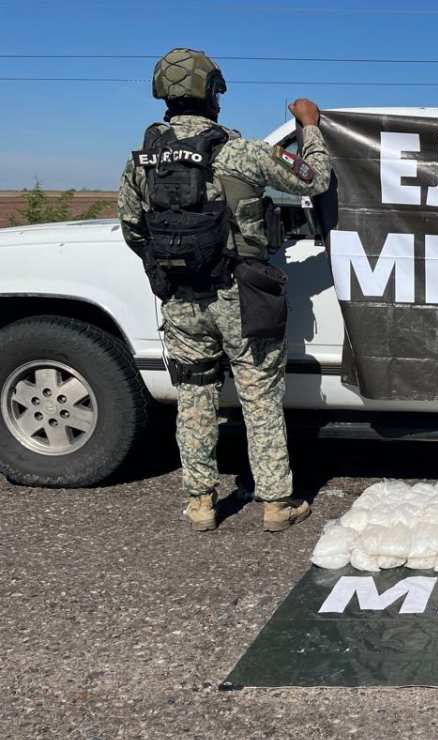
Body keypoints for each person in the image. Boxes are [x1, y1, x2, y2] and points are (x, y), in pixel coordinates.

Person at [117, 48, 330, 532]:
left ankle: (200, 504)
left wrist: (175, 266)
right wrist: (309, 126)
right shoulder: (240, 151)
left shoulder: (142, 159)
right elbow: (315, 178)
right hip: (243, 294)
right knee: (259, 396)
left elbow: (132, 228)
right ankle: (276, 504)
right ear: (212, 94)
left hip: (180, 298)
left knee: (194, 398)